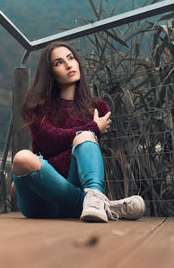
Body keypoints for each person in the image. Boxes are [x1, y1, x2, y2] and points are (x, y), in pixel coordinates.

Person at [12, 41, 145, 222]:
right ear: (50, 74)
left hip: (74, 184)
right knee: (22, 158)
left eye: (71, 58)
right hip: (41, 199)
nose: (68, 64)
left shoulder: (98, 108)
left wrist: (84, 136)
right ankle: (103, 204)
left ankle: (95, 197)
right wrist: (93, 128)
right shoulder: (38, 108)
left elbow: (88, 159)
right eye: (58, 63)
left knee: (85, 138)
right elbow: (50, 141)